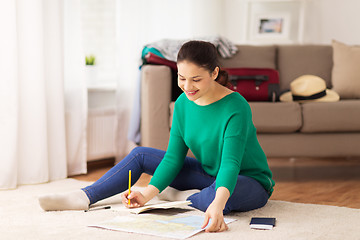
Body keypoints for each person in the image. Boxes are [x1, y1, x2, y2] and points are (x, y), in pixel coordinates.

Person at [39, 40, 275, 233]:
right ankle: (85, 197)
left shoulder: (236, 106)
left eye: (196, 79)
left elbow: (231, 164)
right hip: (208, 173)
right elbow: (173, 158)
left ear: (214, 73)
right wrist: (148, 193)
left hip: (249, 181)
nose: (187, 86)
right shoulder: (183, 103)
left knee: (222, 200)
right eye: (181, 78)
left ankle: (185, 197)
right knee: (140, 154)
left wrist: (216, 205)